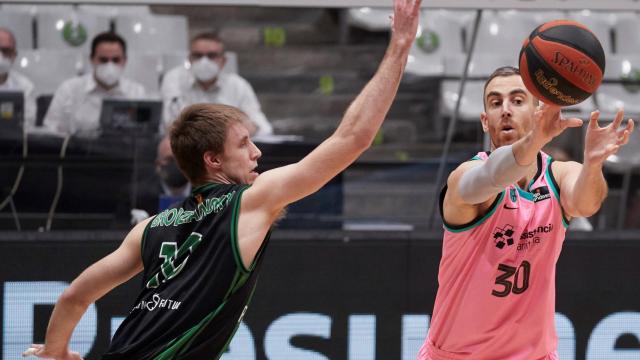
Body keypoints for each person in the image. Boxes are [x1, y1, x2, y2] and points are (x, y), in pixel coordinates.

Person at [26, 1, 421, 359]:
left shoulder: (148, 229)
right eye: (245, 143)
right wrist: (399, 46)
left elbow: (75, 296)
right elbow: (353, 139)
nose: (257, 153)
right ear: (213, 159)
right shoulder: (249, 201)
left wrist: (55, 353)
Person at [419, 66, 634, 359]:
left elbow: (587, 203)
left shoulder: (557, 175)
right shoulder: (465, 176)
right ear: (485, 121)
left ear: (537, 111)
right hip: (459, 355)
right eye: (495, 103)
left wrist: (594, 163)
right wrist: (535, 140)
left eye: (517, 100)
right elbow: (489, 178)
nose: (505, 110)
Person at [160, 32, 273, 136]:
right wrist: (230, 128)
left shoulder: (238, 85)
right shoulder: (174, 79)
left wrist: (250, 127)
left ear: (223, 60)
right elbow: (170, 125)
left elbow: (262, 126)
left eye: (211, 56)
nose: (204, 61)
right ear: (189, 59)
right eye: (198, 56)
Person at [43, 32, 146, 138]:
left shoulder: (137, 92)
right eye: (103, 60)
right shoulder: (70, 89)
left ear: (125, 60)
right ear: (92, 59)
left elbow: (145, 133)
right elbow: (51, 130)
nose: (110, 65)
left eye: (116, 60)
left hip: (123, 152)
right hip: (77, 152)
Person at [0, 27, 36, 130]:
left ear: (14, 55)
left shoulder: (25, 86)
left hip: (13, 144)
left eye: (5, 50)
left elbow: (27, 124)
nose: (0, 55)